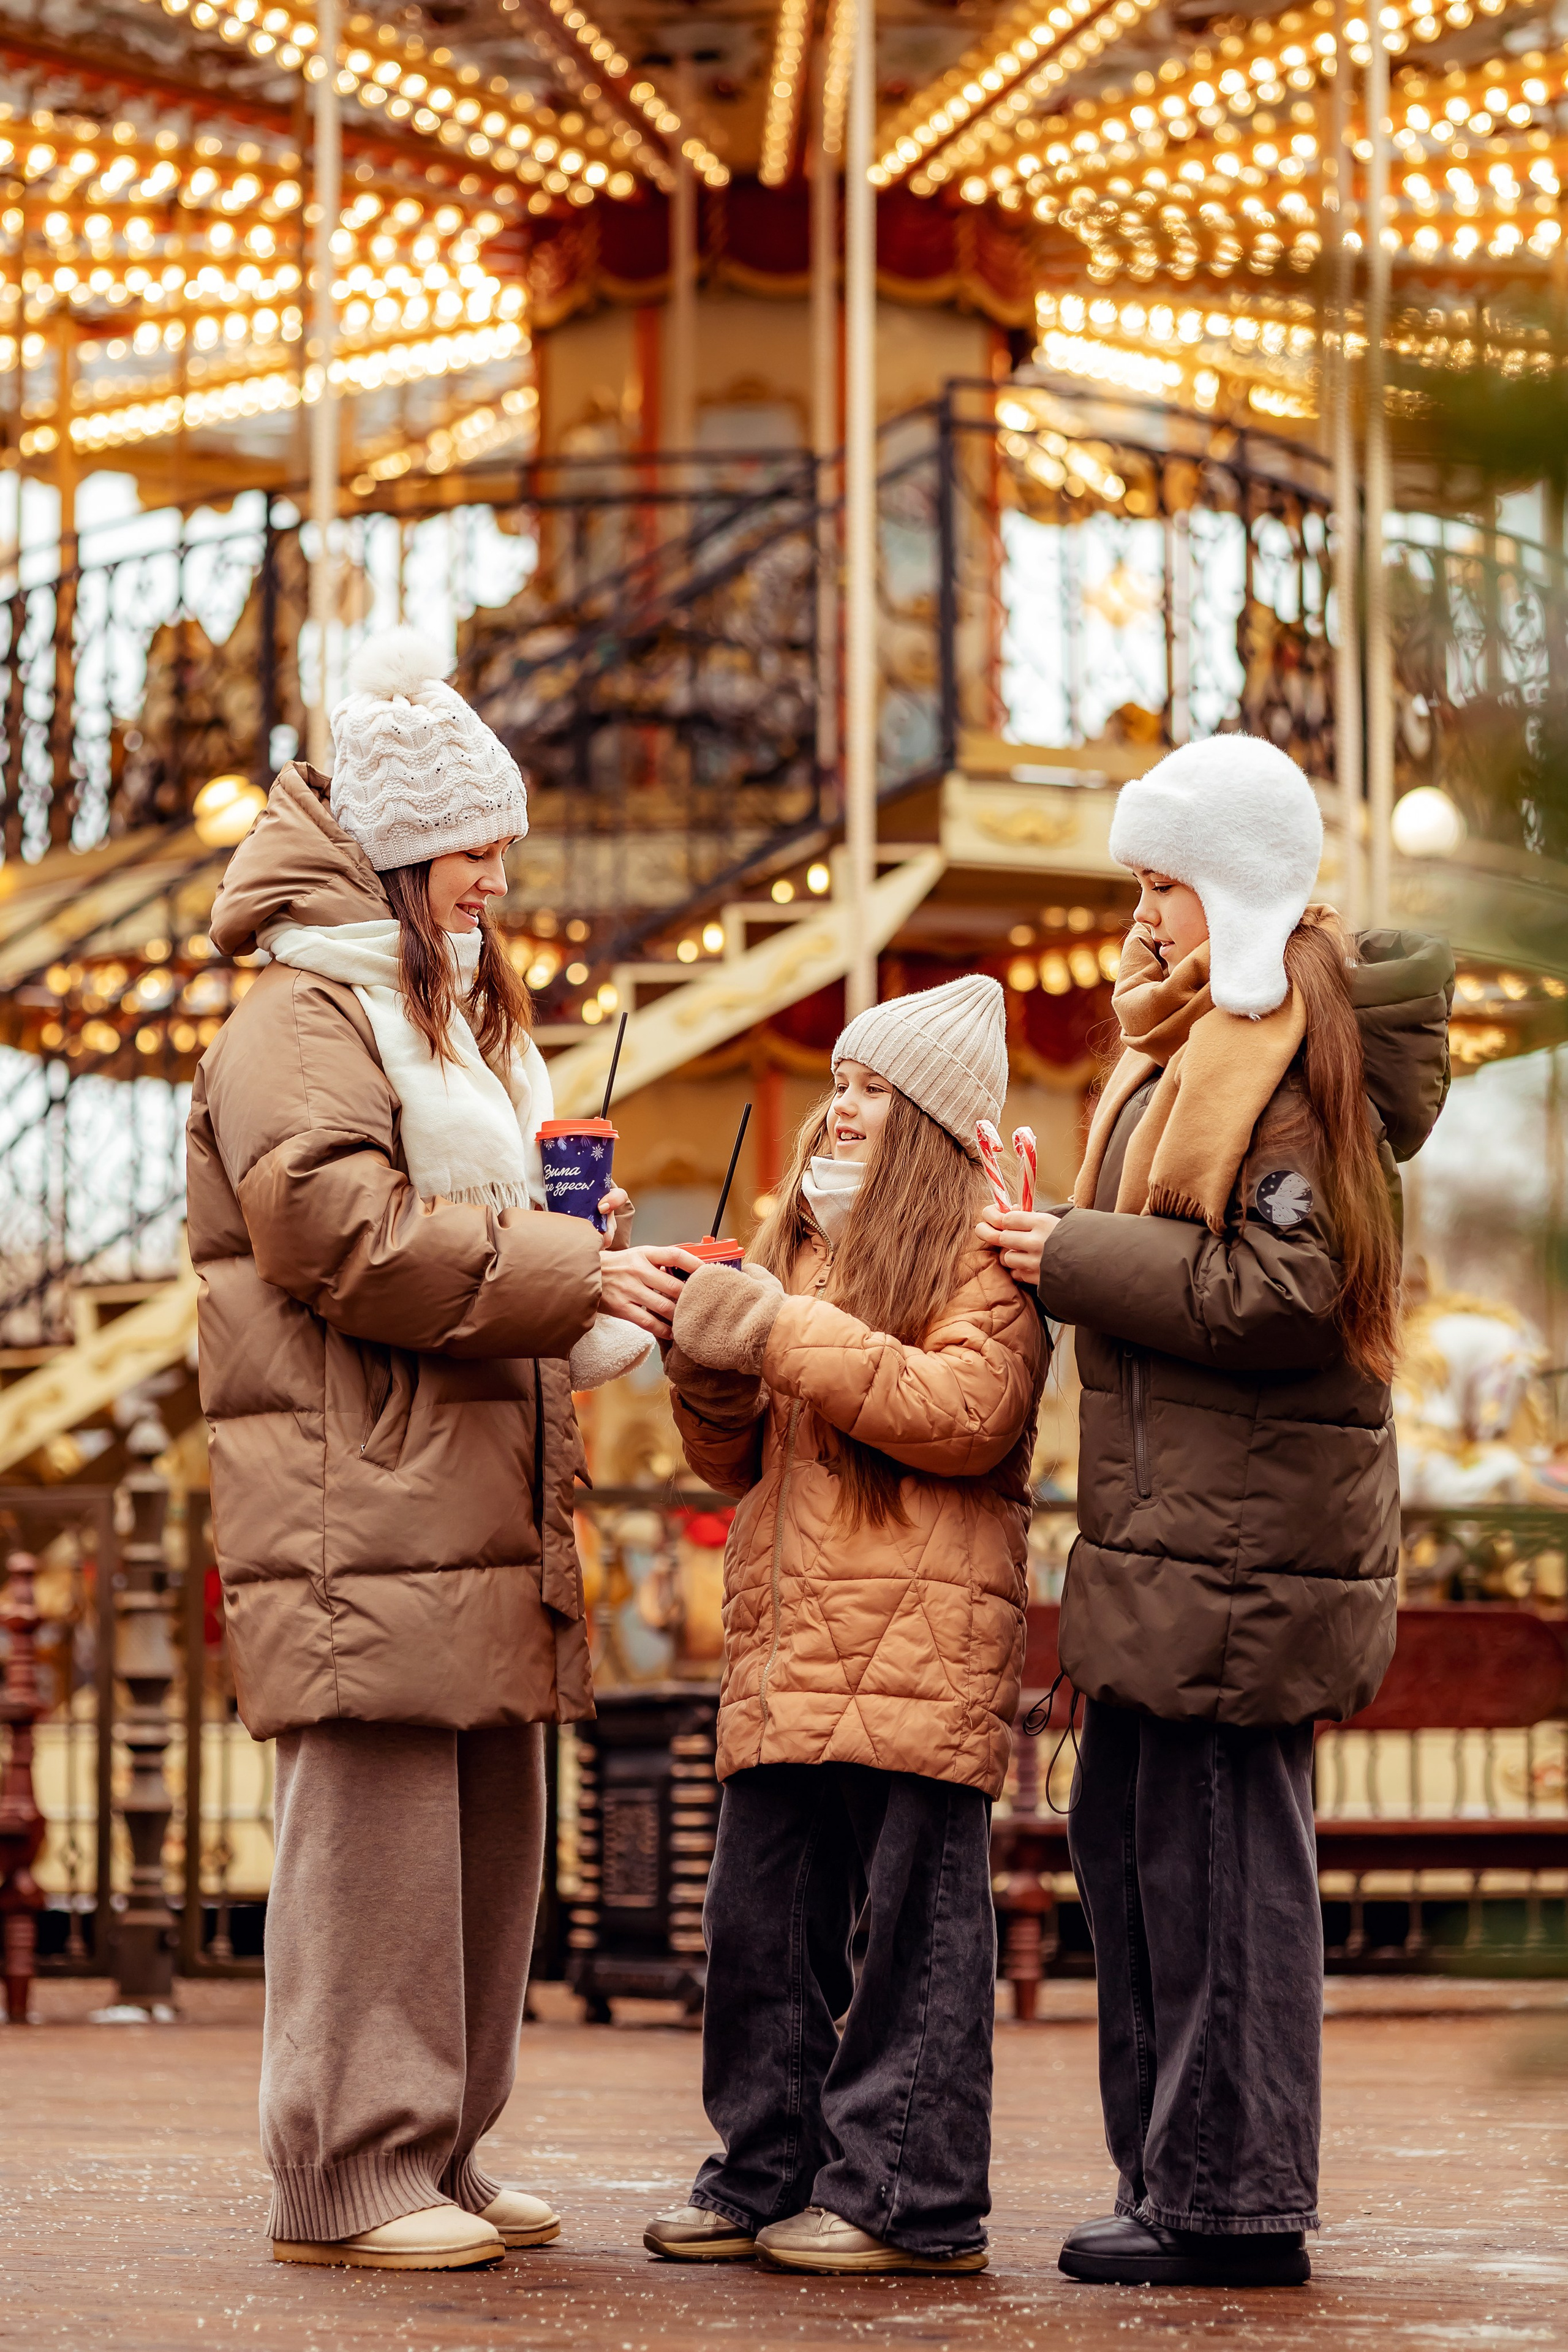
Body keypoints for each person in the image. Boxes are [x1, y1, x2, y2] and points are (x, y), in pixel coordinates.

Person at [186, 628, 689, 2272]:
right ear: (400, 851)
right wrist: (556, 1265)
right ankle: (348, 2170)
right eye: (474, 846)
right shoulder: (300, 1017)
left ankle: (441, 2149)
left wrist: (579, 1249)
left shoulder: (434, 1011)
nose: (496, 876)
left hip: (461, 1484)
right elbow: (335, 1230)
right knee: (378, 1841)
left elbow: (446, 1227)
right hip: (366, 1491)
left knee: (480, 1839)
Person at [979, 737, 1453, 2290]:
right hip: (1184, 1539)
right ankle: (1173, 2181)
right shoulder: (1202, 1041)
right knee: (1144, 1860)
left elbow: (1289, 1288)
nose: (1141, 914)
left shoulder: (1291, 1062)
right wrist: (1064, 1236)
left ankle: (1231, 2205)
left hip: (1239, 1553)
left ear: (1229, 887)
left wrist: (1062, 1253)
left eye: (1162, 884)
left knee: (1217, 1881)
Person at [642, 975, 1050, 2277]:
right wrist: (707, 1369)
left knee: (914, 1938)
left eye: (873, 1089)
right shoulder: (797, 1240)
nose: (843, 1108)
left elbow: (966, 1412)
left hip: (918, 1641)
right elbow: (737, 1463)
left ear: (929, 1117)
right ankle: (760, 2173)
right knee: (756, 1925)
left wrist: (776, 1328)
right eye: (838, 1083)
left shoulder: (984, 1250)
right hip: (788, 1639)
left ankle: (906, 2198)